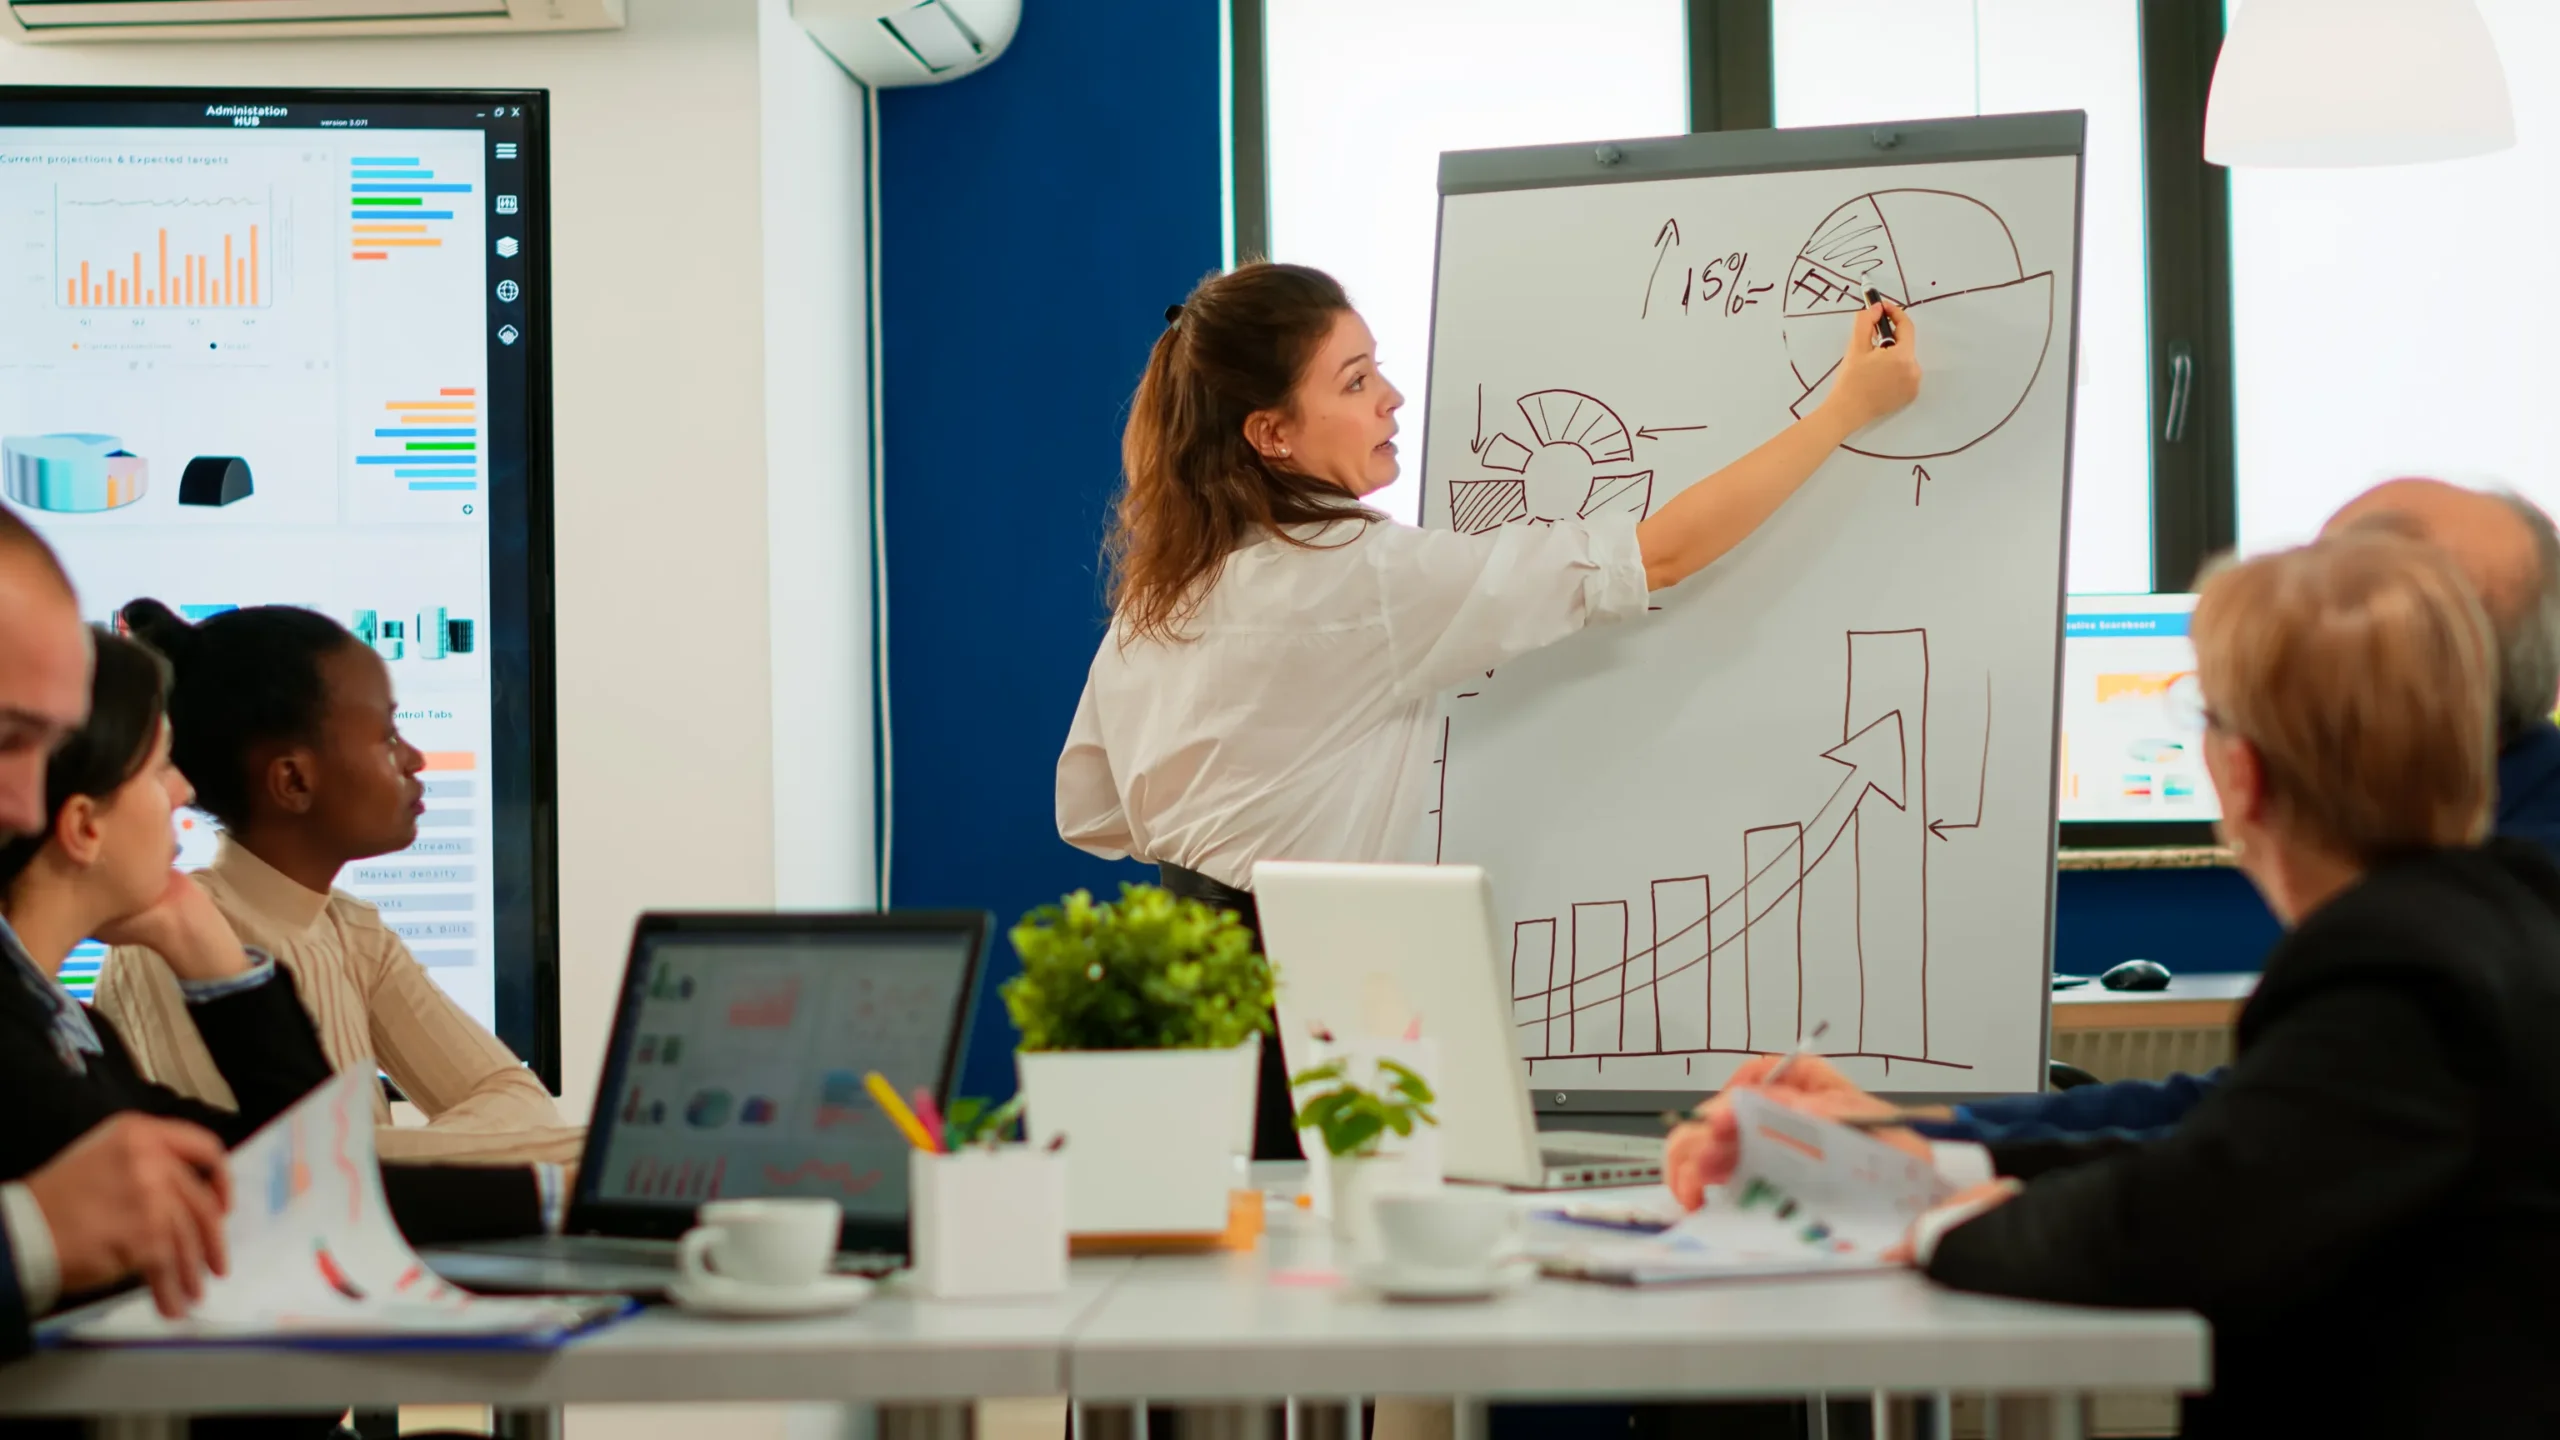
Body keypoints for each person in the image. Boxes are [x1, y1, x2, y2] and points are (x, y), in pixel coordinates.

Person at [1058, 261, 1920, 1158]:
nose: (1391, 398)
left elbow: (1094, 813)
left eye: (1377, 366)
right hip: (1297, 1001)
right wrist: (1845, 411)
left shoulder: (1162, 595)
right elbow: (1655, 556)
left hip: (1174, 1010)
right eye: (1355, 382)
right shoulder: (1362, 577)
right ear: (1271, 434)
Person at [1713, 533, 2560, 1434]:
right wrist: (1924, 1161)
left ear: (2242, 774)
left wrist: (1936, 1229)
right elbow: (2223, 1155)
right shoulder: (2500, 917)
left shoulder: (2397, 967)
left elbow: (2180, 1225)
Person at [1697, 477, 2560, 1159]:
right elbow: (2236, 1122)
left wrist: (1935, 1188)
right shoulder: (2447, 896)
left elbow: (2205, 1186)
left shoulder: (2445, 937)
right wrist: (1915, 1137)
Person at [94, 601, 577, 1165]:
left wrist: (371, 1156)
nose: (415, 758)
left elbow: (516, 1096)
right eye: (388, 736)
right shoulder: (164, 949)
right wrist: (558, 1152)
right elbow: (277, 1175)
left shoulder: (353, 933)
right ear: (293, 779)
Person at [0, 510, 230, 1359]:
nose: (26, 806)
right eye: (4, 741)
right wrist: (29, 1240)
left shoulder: (68, 1024)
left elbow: (301, 1176)